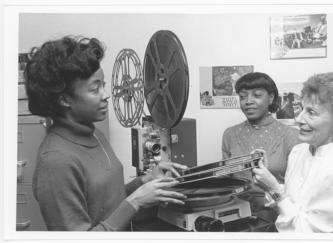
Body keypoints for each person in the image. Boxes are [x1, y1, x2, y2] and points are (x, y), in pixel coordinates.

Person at [24, 36, 187, 231]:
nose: (106, 95)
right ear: (65, 99)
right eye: (95, 89)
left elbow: (104, 205)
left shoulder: (94, 134)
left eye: (104, 85)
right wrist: (135, 202)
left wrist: (142, 182)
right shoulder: (55, 161)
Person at [252, 72, 333, 232]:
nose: (298, 119)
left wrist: (273, 189)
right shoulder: (300, 151)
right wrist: (268, 178)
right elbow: (293, 201)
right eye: (302, 108)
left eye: (311, 112)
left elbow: (307, 233)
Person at [222, 72, 300, 231]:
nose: (248, 102)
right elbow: (225, 182)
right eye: (243, 97)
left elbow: (297, 191)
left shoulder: (291, 135)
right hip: (236, 218)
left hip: (277, 219)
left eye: (256, 95)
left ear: (271, 98)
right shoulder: (230, 134)